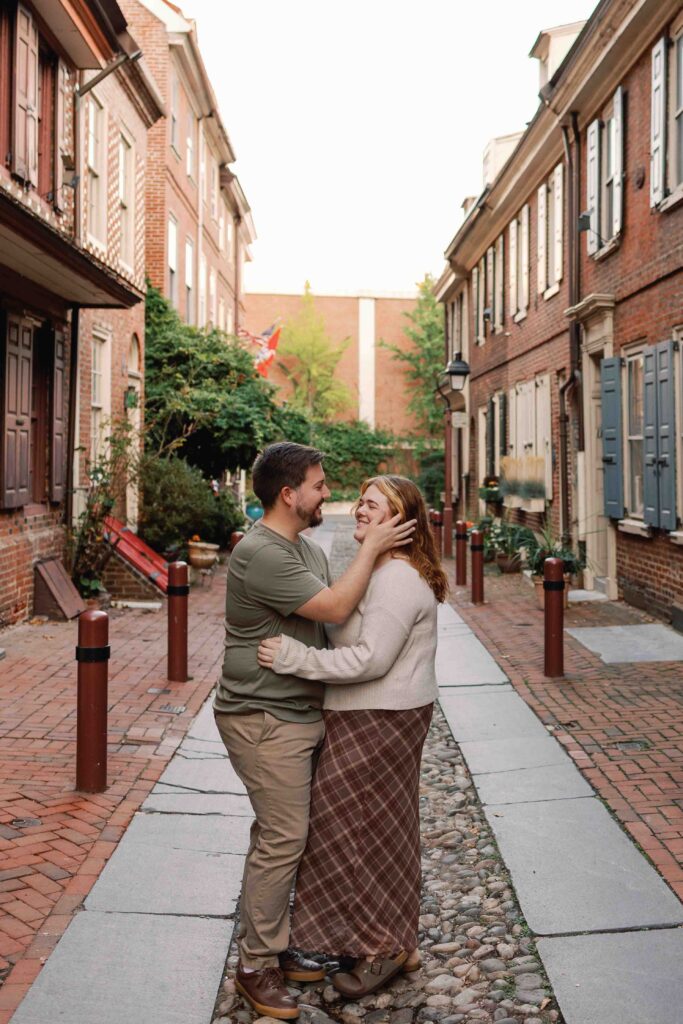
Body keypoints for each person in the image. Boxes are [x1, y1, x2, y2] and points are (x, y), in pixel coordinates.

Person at [214, 444, 416, 1021]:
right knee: (282, 837)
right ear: (289, 494)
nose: (328, 493)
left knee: (288, 835)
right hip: (263, 718)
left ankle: (278, 947)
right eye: (320, 485)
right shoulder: (261, 553)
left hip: (298, 712)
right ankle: (256, 966)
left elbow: (346, 620)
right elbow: (331, 609)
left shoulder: (300, 546)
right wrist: (374, 545)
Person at [258, 475, 447, 999]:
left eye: (372, 505)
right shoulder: (379, 571)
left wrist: (297, 659)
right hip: (371, 714)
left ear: (400, 522)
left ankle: (380, 950)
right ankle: (392, 941)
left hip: (380, 717)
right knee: (379, 830)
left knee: (355, 835)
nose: (359, 511)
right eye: (360, 503)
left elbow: (371, 658)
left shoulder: (398, 580)